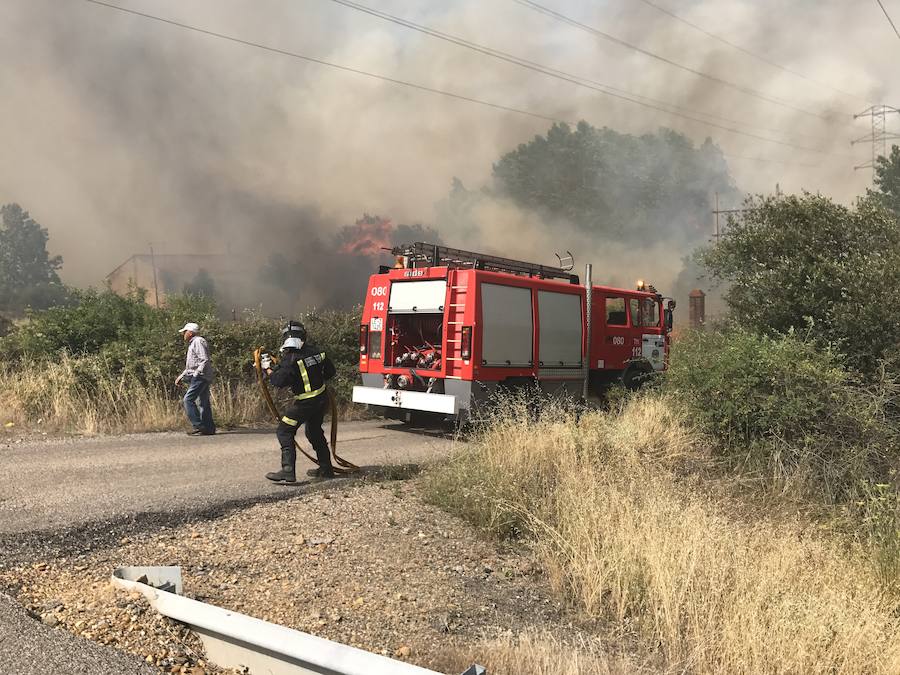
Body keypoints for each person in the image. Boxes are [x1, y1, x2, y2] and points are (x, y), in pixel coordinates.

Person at [261, 321, 336, 483]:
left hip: (305, 403)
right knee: (314, 432)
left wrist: (267, 369)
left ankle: (288, 470)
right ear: (303, 335)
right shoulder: (318, 352)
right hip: (321, 400)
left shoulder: (291, 358)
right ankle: (326, 468)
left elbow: (278, 381)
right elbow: (330, 372)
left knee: (284, 430)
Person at [175, 322, 216, 436]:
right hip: (201, 376)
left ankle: (198, 425)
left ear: (190, 333)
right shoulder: (194, 343)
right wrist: (182, 376)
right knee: (203, 402)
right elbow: (192, 364)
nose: (183, 334)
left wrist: (197, 374)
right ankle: (209, 428)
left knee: (188, 400)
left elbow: (204, 359)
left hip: (200, 377)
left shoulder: (197, 341)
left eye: (185, 332)